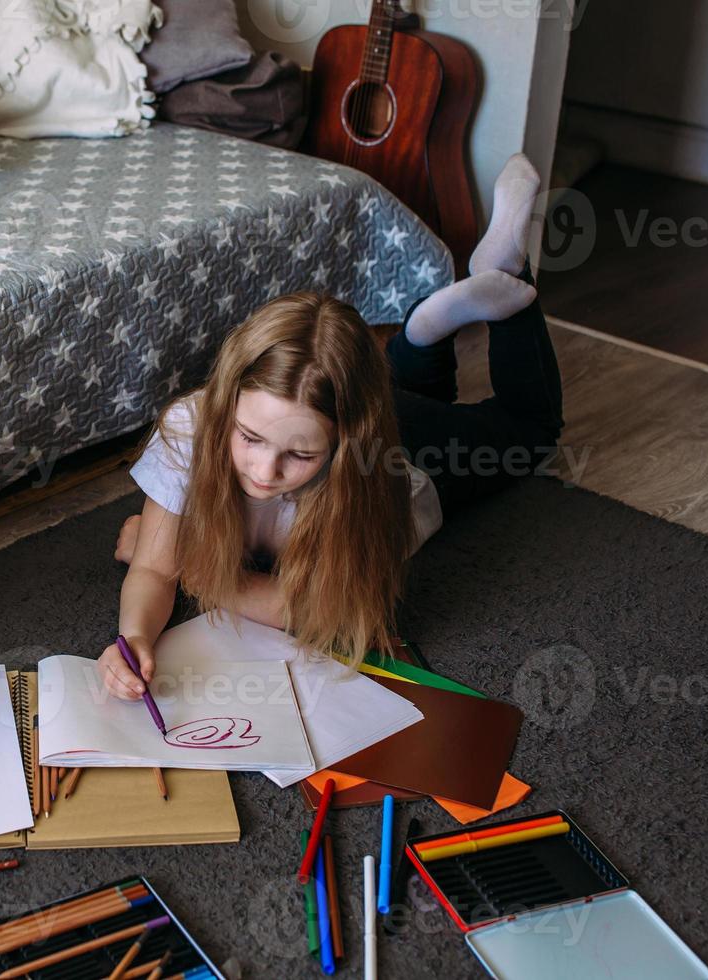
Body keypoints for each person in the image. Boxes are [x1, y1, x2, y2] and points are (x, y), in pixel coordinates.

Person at [100, 155, 563, 699]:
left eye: (296, 457)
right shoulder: (192, 426)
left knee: (529, 433)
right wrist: (132, 637)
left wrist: (195, 572)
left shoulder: (368, 470)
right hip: (357, 406)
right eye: (249, 438)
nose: (264, 471)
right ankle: (423, 331)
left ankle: (507, 274)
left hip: (417, 454)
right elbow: (154, 570)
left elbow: (320, 615)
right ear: (224, 403)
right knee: (410, 393)